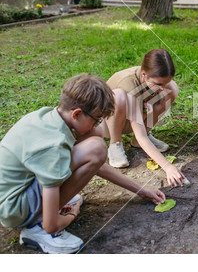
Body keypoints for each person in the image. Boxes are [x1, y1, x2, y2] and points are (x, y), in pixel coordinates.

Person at [0, 73, 165, 254]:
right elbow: (51, 224)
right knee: (96, 146)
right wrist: (71, 214)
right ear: (77, 114)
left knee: (94, 143)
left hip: (18, 193)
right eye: (97, 120)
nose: (97, 127)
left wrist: (142, 191)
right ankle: (34, 228)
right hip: (14, 208)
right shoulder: (53, 146)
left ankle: (45, 208)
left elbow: (97, 165)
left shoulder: (52, 117)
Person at [103, 48, 185, 186]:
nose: (163, 87)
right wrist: (168, 167)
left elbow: (157, 92)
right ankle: (115, 144)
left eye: (165, 82)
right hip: (106, 123)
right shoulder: (128, 83)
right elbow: (139, 131)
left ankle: (140, 138)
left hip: (134, 117)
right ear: (144, 75)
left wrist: (147, 104)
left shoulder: (156, 80)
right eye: (158, 84)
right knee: (120, 96)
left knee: (172, 89)